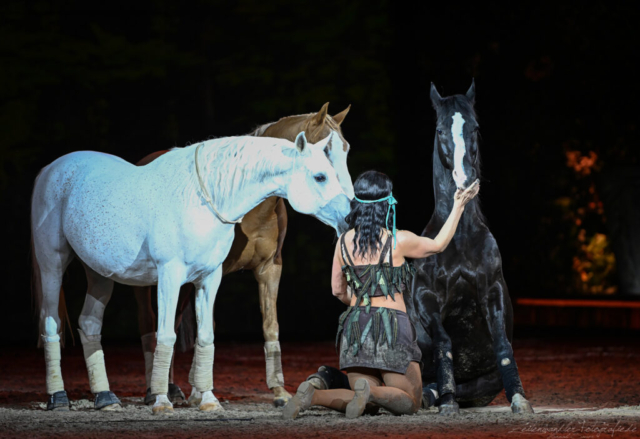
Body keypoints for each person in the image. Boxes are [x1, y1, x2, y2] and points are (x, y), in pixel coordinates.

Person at [282, 170, 479, 419]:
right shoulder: (398, 240)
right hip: (391, 329)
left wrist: (358, 305)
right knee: (411, 401)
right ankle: (372, 393)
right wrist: (459, 204)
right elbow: (438, 244)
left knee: (362, 401)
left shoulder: (342, 242)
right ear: (387, 204)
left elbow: (337, 290)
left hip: (355, 328)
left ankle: (312, 396)